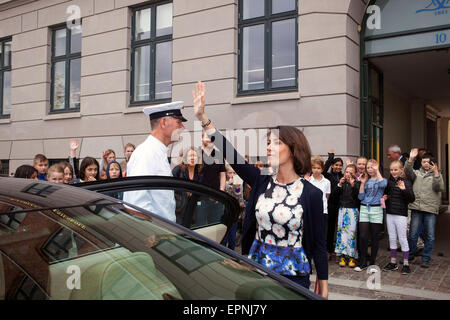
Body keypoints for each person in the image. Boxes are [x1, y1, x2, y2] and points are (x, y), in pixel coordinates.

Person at [192, 81, 328, 298]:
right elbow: (231, 154)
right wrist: (203, 118)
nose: (268, 147)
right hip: (257, 273)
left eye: (275, 143)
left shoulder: (312, 193)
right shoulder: (261, 181)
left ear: (293, 149)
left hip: (293, 279)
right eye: (267, 143)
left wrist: (324, 286)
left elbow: (320, 245)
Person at [124, 101, 187, 222]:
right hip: (154, 236)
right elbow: (136, 205)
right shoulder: (147, 153)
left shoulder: (157, 152)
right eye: (178, 122)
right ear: (164, 122)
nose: (182, 127)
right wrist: (154, 235)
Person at [405, 149, 444, 269]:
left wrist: (436, 173)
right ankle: (410, 255)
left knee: (430, 235)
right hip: (416, 207)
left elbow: (439, 188)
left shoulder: (438, 175)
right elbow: (407, 171)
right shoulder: (417, 173)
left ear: (433, 163)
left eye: (428, 162)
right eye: (423, 161)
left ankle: (425, 258)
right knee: (412, 234)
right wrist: (410, 159)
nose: (425, 164)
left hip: (430, 209)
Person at [383, 160, 415, 274]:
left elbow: (411, 198)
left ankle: (406, 263)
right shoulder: (390, 182)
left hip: (401, 214)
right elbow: (387, 193)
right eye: (391, 170)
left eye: (395, 170)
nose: (393, 172)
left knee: (402, 238)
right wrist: (385, 198)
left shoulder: (406, 181)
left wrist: (404, 190)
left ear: (401, 170)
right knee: (392, 238)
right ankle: (393, 262)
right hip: (390, 213)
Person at [355, 159, 387, 272]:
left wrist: (377, 171)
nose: (370, 169)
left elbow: (383, 185)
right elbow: (360, 197)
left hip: (377, 210)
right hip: (364, 208)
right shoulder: (365, 181)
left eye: (372, 167)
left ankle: (372, 263)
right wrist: (363, 183)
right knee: (363, 236)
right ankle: (363, 261)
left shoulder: (381, 180)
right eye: (368, 167)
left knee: (375, 237)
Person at [335, 164, 361, 268]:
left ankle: (352, 256)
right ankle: (342, 255)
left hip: (353, 210)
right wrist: (339, 185)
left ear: (355, 174)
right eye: (347, 172)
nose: (348, 174)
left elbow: (358, 197)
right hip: (342, 209)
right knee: (341, 232)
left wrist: (353, 185)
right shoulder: (342, 183)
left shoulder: (357, 184)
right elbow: (334, 196)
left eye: (351, 173)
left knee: (352, 233)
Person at [323, 150, 344, 259]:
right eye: (336, 165)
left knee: (340, 228)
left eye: (340, 165)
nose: (338, 167)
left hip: (342, 205)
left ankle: (341, 250)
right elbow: (324, 169)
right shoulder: (327, 175)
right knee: (330, 228)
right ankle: (328, 250)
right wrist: (331, 157)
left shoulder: (343, 176)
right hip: (331, 205)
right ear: (332, 165)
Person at [222, 163, 245, 250]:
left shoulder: (238, 183)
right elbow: (225, 192)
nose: (232, 175)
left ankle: (232, 254)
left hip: (235, 213)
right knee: (224, 235)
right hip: (225, 212)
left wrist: (236, 186)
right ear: (226, 173)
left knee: (232, 236)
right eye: (230, 173)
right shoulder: (224, 182)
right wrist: (231, 185)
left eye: (234, 173)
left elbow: (239, 195)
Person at [305, 156, 331, 234]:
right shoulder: (308, 180)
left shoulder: (327, 182)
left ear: (322, 169)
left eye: (318, 168)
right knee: (310, 233)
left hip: (323, 211)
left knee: (321, 232)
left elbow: (327, 196)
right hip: (310, 210)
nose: (316, 170)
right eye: (314, 168)